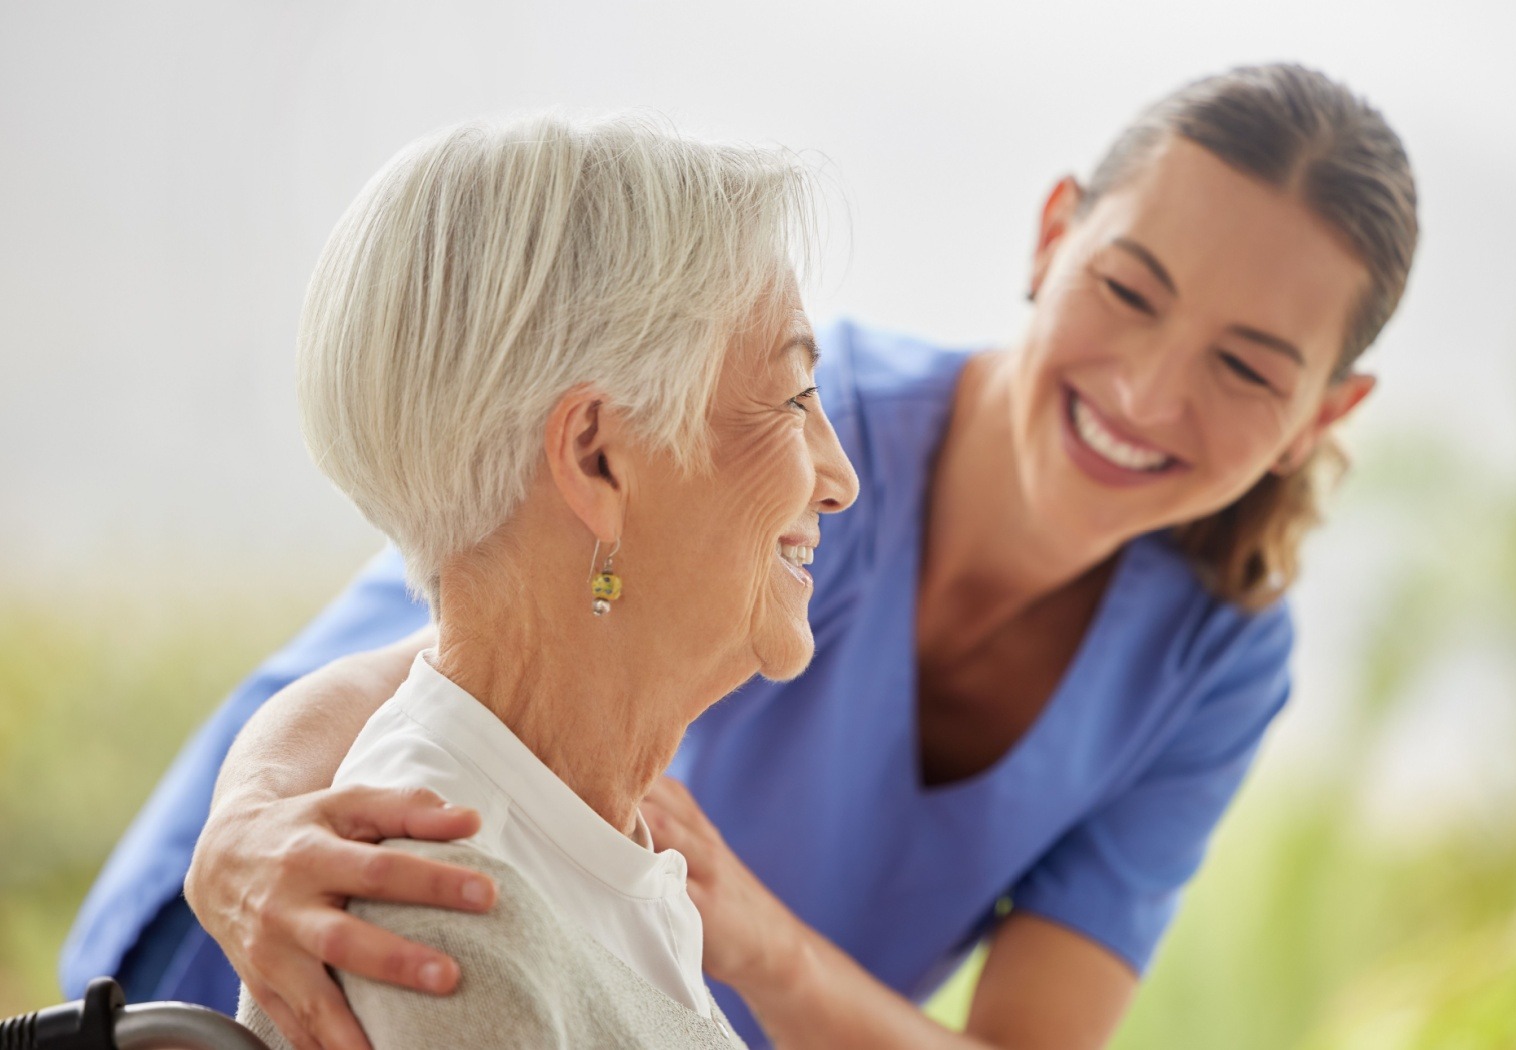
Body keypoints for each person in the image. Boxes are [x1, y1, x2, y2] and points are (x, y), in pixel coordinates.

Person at [62, 63, 1419, 1050]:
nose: (1147, 389)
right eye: (1130, 291)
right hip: (338, 940)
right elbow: (453, 624)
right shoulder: (761, 436)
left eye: (1246, 367)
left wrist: (761, 946)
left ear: (1326, 415)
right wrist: (245, 835)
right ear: (1055, 232)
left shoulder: (1214, 659)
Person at [212, 111, 857, 1047]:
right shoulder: (448, 923)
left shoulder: (580, 848)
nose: (839, 479)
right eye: (793, 399)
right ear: (596, 459)